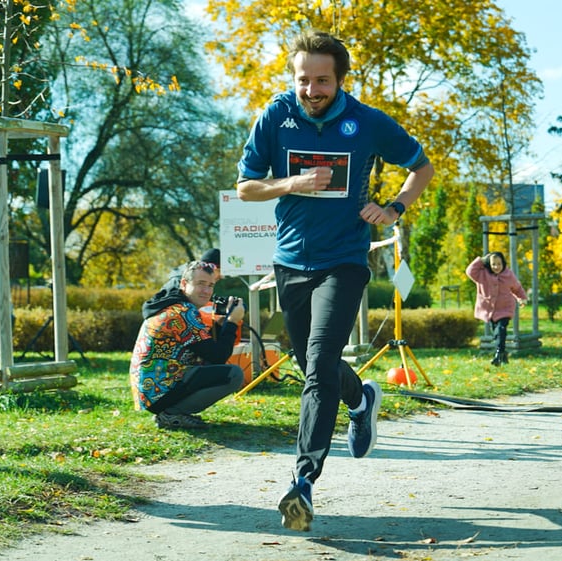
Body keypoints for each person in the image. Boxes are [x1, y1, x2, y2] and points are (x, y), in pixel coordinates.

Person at [235, 29, 434, 532]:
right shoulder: (275, 117)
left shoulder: (367, 122)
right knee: (309, 364)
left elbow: (421, 167)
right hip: (290, 262)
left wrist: (393, 208)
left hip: (344, 261)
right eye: (303, 80)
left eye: (322, 80)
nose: (311, 90)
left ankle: (302, 481)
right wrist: (293, 183)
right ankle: (361, 399)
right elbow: (245, 187)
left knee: (321, 360)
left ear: (340, 79)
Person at [129, 260, 245, 430]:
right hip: (158, 393)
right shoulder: (182, 312)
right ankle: (172, 414)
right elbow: (218, 356)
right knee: (234, 374)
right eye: (200, 284)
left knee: (213, 367)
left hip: (151, 392)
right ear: (184, 283)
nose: (206, 291)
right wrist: (233, 322)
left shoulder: (172, 305)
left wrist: (222, 323)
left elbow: (207, 350)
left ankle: (173, 411)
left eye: (211, 285)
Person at [466, 252, 527, 366]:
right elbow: (470, 271)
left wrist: (522, 298)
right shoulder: (482, 274)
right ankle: (503, 354)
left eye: (499, 264)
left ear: (503, 263)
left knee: (501, 329)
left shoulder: (508, 275)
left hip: (505, 308)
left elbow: (517, 287)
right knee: (497, 333)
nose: (496, 267)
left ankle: (498, 354)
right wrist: (482, 260)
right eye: (493, 264)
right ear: (489, 264)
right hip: (490, 310)